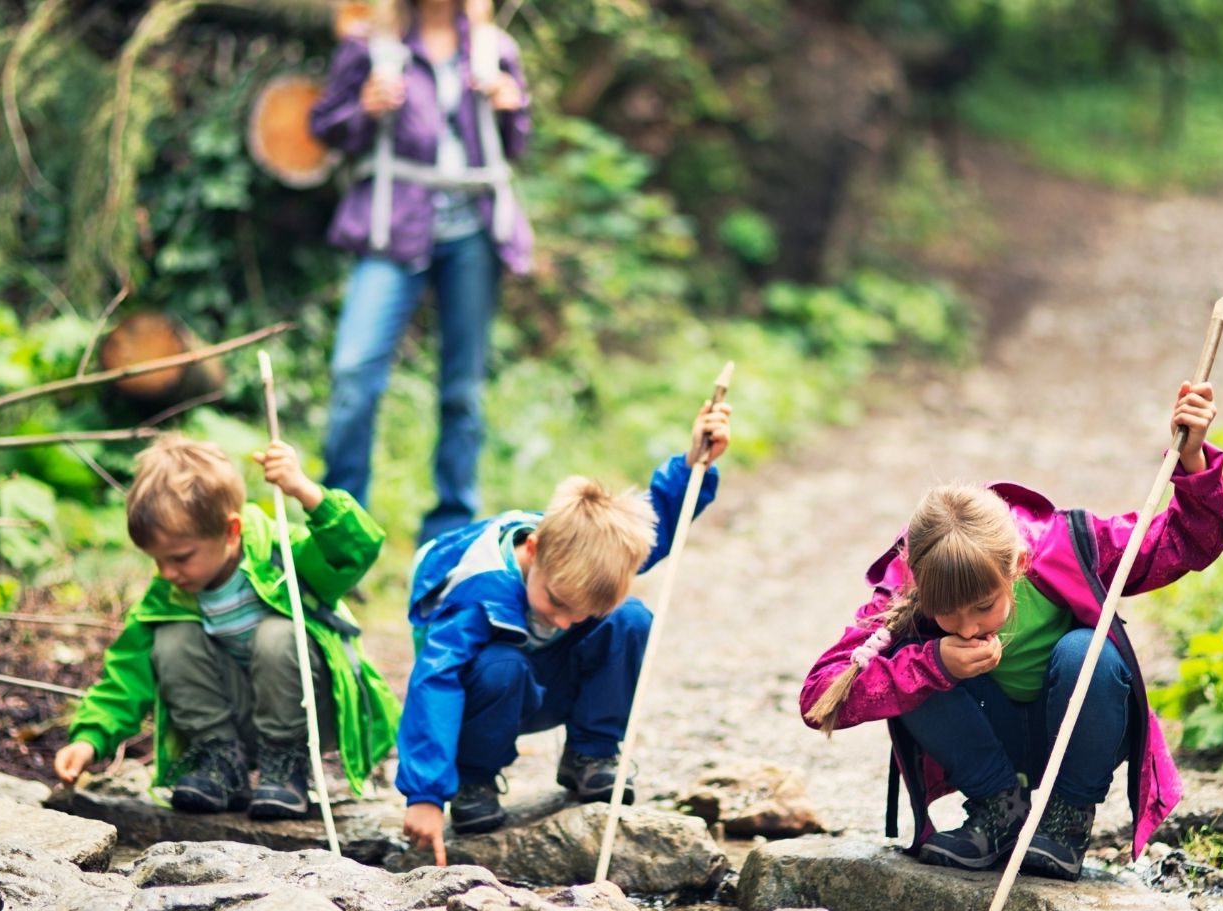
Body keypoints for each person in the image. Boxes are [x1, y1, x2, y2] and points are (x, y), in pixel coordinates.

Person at [798, 383, 1223, 879]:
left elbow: (1190, 540)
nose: (967, 627)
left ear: (1019, 565)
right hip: (988, 747)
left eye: (983, 606)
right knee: (913, 656)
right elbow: (819, 697)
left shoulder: (1071, 547)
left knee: (1086, 650)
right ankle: (999, 811)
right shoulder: (905, 591)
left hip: (1072, 736)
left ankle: (1065, 822)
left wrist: (1192, 456)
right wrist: (933, 663)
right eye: (949, 613)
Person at [396, 401, 733, 853]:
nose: (563, 620)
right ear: (532, 549)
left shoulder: (586, 559)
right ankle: (474, 782)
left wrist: (695, 463)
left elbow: (659, 522)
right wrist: (425, 794)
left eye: (581, 612)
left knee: (630, 618)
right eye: (555, 602)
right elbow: (435, 683)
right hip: (491, 699)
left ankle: (590, 753)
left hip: (554, 685)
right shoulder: (478, 592)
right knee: (502, 665)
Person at [52, 436, 400, 820]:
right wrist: (88, 739)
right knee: (170, 640)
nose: (168, 572)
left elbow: (355, 551)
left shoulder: (279, 553)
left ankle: (285, 767)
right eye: (158, 560)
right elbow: (127, 675)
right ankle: (221, 761)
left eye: (181, 558)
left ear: (231, 531)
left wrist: (305, 491)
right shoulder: (170, 594)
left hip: (304, 711)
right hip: (234, 716)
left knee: (276, 636)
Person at [309, 0, 534, 545]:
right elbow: (325, 127)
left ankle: (451, 534)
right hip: (394, 226)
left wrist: (511, 104)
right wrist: (363, 108)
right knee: (354, 373)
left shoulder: (493, 48)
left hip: (473, 232)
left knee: (463, 389)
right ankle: (343, 533)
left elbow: (518, 145)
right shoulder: (369, 46)